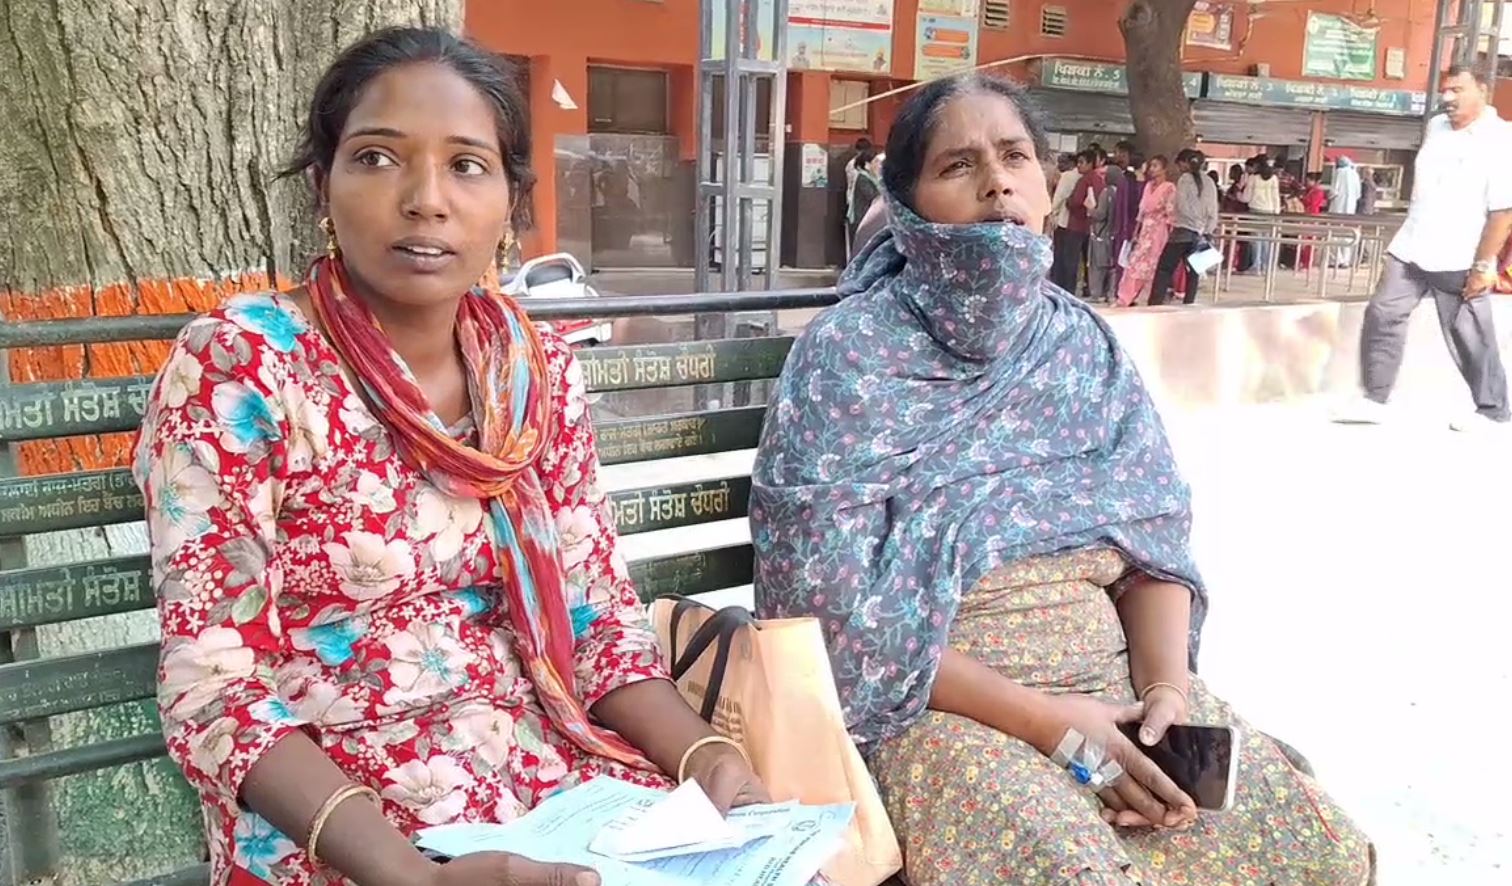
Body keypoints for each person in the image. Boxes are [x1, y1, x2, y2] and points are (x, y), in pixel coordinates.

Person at [134, 29, 771, 886]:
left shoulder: (531, 371)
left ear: (511, 200)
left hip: (549, 777)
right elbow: (213, 689)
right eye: (377, 158)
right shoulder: (244, 363)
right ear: (323, 186)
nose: (425, 200)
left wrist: (703, 756)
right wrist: (419, 879)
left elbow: (591, 615)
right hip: (341, 821)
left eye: (467, 165)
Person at [749, 72, 1373, 886]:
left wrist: (1166, 692)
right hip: (930, 708)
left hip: (1117, 687)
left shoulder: (1082, 346)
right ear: (906, 208)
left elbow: (1152, 542)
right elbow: (823, 620)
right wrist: (1053, 726)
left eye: (1014, 157)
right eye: (957, 165)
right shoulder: (847, 357)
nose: (996, 182)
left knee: (1317, 849)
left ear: (1046, 184)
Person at [1337, 63, 1512, 432]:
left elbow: (1503, 210)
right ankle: (1374, 399)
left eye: (1457, 90)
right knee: (1383, 313)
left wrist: (1484, 265)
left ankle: (1493, 410)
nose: (1447, 97)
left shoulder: (1500, 138)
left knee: (1469, 334)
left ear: (1482, 90)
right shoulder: (1436, 127)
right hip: (1412, 244)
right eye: (1445, 90)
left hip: (1460, 252)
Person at [1150, 149, 1219, 306]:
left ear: (1184, 163)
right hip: (1202, 234)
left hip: (1183, 231)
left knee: (1164, 269)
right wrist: (1206, 229)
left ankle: (1155, 303)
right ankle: (1189, 303)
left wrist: (1192, 223)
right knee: (1194, 272)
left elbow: (1181, 206)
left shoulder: (1184, 180)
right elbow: (1213, 210)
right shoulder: (1209, 181)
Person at [1116, 155, 1177, 306]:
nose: (1152, 169)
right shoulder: (1148, 186)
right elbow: (1141, 211)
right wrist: (1136, 232)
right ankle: (1125, 296)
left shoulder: (1169, 188)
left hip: (1159, 229)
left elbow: (1171, 213)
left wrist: (1170, 232)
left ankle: (1148, 296)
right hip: (1145, 229)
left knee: (1154, 263)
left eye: (1156, 166)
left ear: (1164, 169)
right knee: (1134, 263)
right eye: (1151, 166)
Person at [1059, 148, 1106, 295]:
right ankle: (1089, 289)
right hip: (1091, 225)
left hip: (1076, 224)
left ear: (1090, 164)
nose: (1078, 165)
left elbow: (1076, 201)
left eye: (1081, 162)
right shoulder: (1100, 180)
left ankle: (1068, 289)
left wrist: (1068, 202)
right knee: (1088, 260)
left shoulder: (1084, 180)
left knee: (1070, 260)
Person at [1048, 152, 1083, 290]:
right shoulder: (1083, 176)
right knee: (1073, 258)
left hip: (1063, 220)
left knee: (1061, 256)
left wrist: (1052, 212)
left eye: (1063, 162)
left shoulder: (1067, 176)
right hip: (1078, 224)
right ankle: (1070, 286)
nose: (1060, 165)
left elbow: (1059, 197)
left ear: (1072, 163)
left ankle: (1058, 285)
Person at [1245, 158, 1283, 274]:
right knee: (1267, 239)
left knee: (1256, 240)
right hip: (1270, 211)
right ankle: (1266, 266)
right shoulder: (1274, 179)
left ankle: (1256, 266)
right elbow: (1276, 197)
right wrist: (1277, 212)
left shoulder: (1253, 178)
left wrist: (1238, 195)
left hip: (1255, 210)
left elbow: (1247, 197)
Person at [1327, 157, 1363, 266]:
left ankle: (1336, 260)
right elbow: (1358, 195)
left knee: (1334, 234)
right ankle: (1346, 260)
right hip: (1350, 209)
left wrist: (1328, 197)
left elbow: (1334, 191)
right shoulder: (1355, 174)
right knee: (1347, 234)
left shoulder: (1339, 172)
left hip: (1338, 207)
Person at [848, 146, 884, 249]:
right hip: (862, 218)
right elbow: (874, 196)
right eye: (875, 162)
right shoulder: (863, 178)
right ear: (867, 164)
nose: (878, 165)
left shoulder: (871, 178)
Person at [1299, 172, 1330, 270]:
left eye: (1309, 181)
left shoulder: (1317, 191)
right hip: (1308, 215)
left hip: (1312, 216)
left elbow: (1312, 203)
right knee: (1306, 240)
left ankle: (1307, 262)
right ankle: (1304, 261)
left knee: (1309, 240)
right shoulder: (1310, 190)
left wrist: (1303, 199)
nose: (1307, 182)